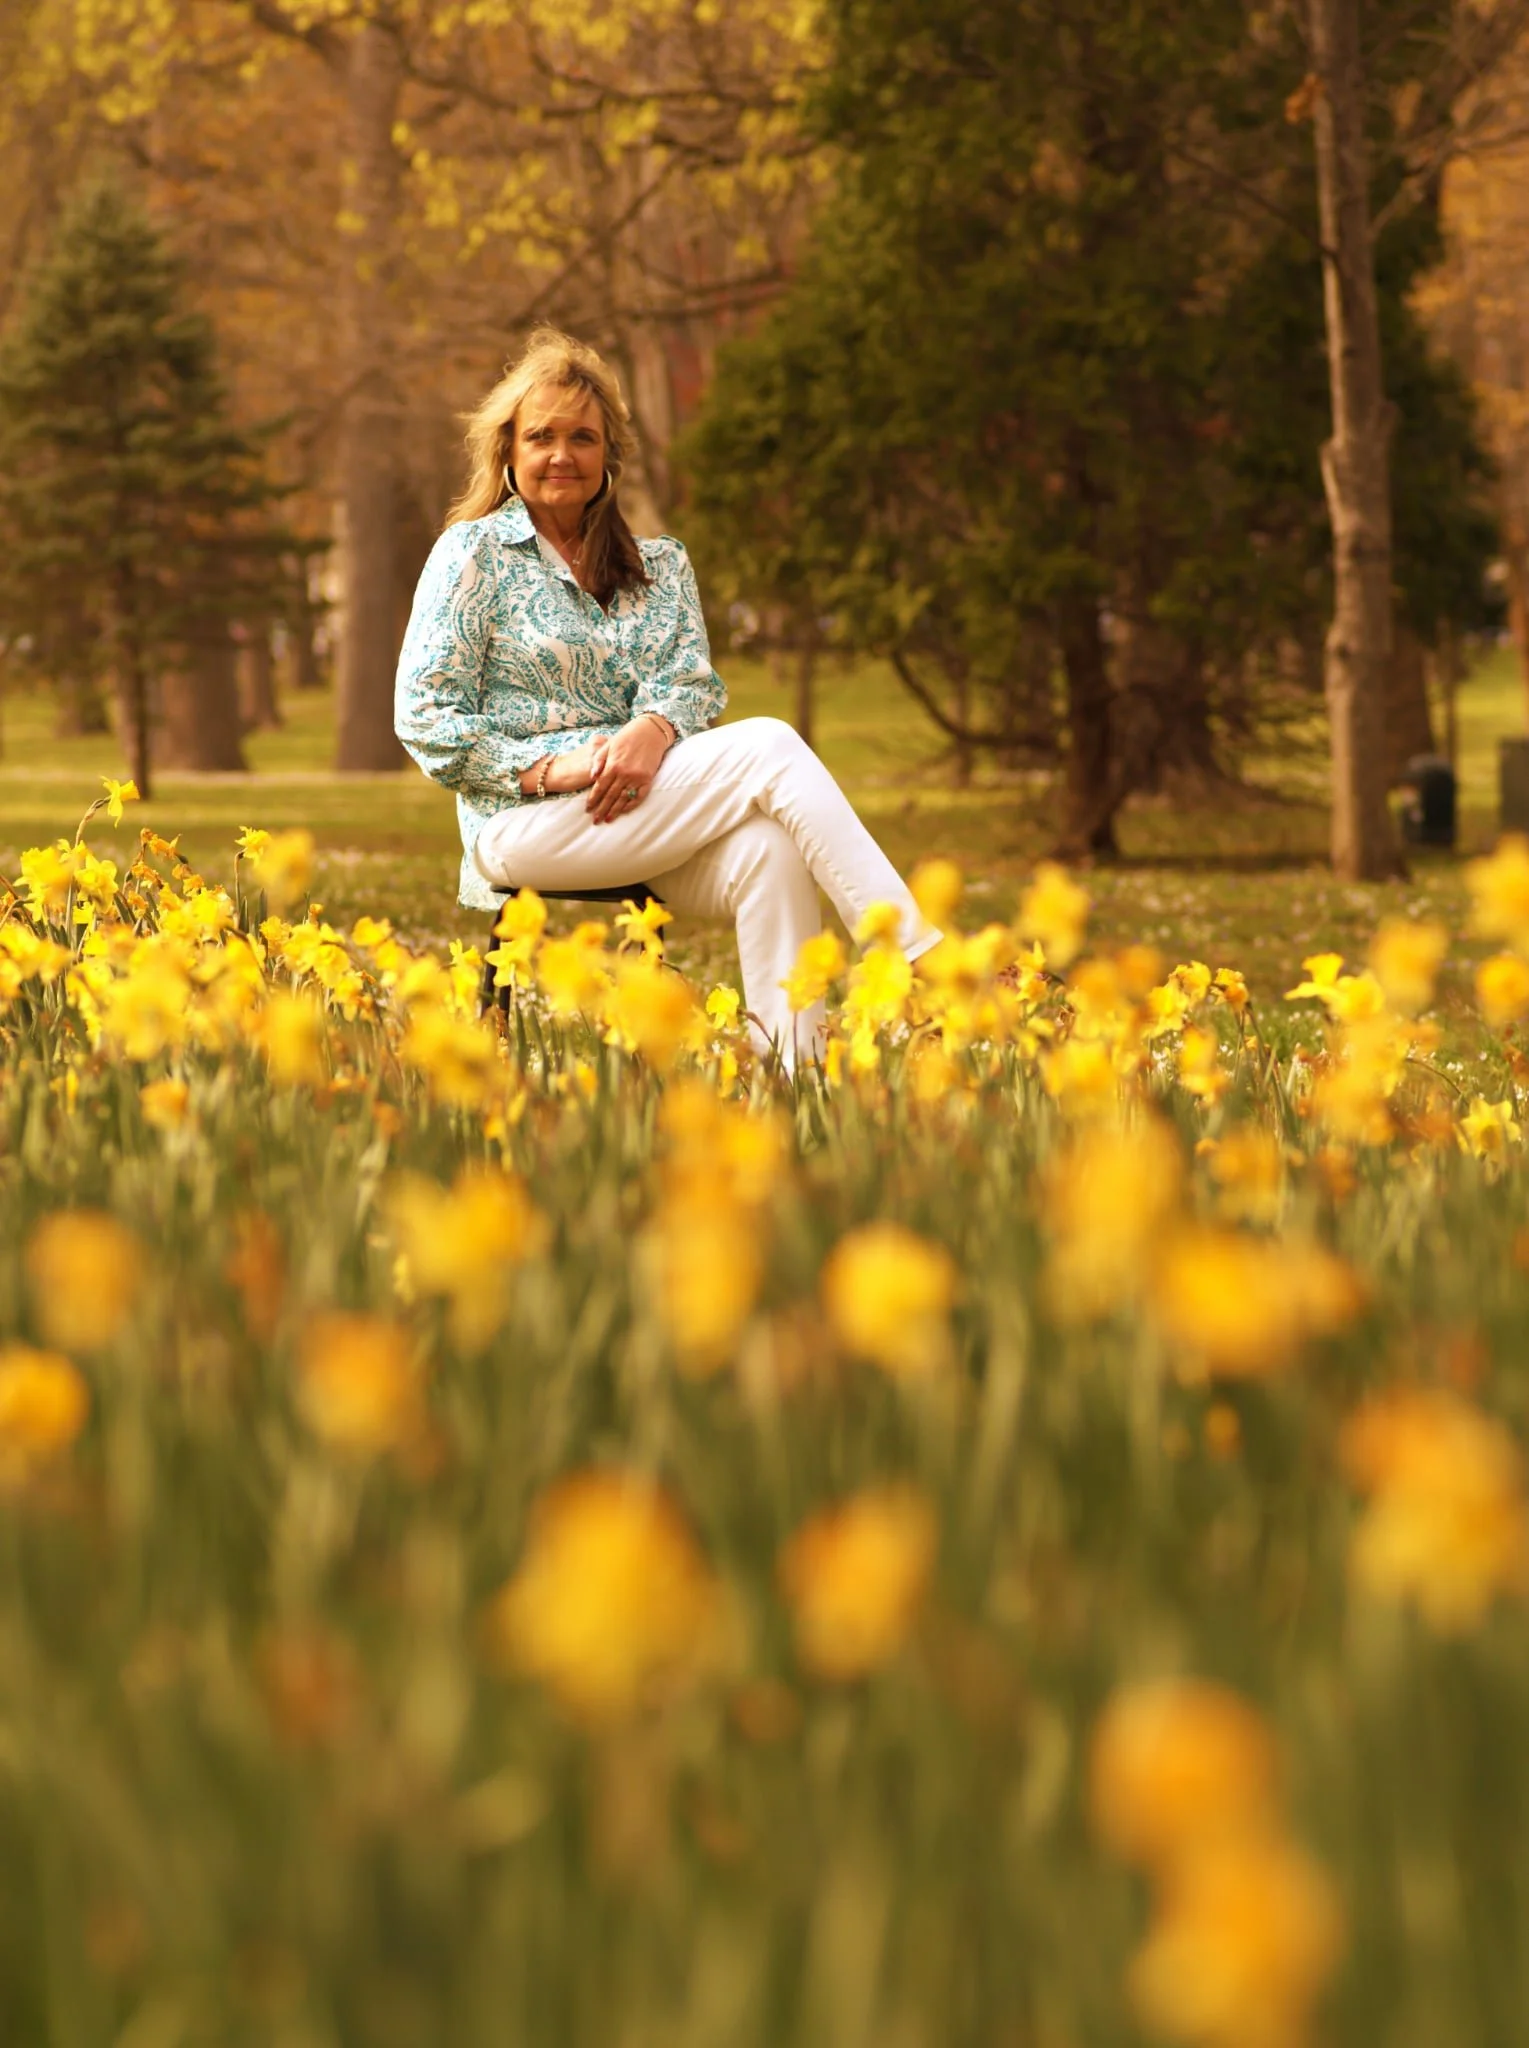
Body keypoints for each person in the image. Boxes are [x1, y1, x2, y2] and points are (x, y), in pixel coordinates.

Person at [394, 328, 940, 1066]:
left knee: (770, 850)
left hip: (640, 810)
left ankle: (795, 1078)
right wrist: (557, 769)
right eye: (541, 436)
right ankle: (918, 960)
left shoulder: (659, 567)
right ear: (509, 453)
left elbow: (686, 682)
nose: (562, 455)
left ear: (608, 457)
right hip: (520, 824)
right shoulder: (472, 554)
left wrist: (653, 728)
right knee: (772, 743)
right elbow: (424, 715)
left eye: (582, 437)